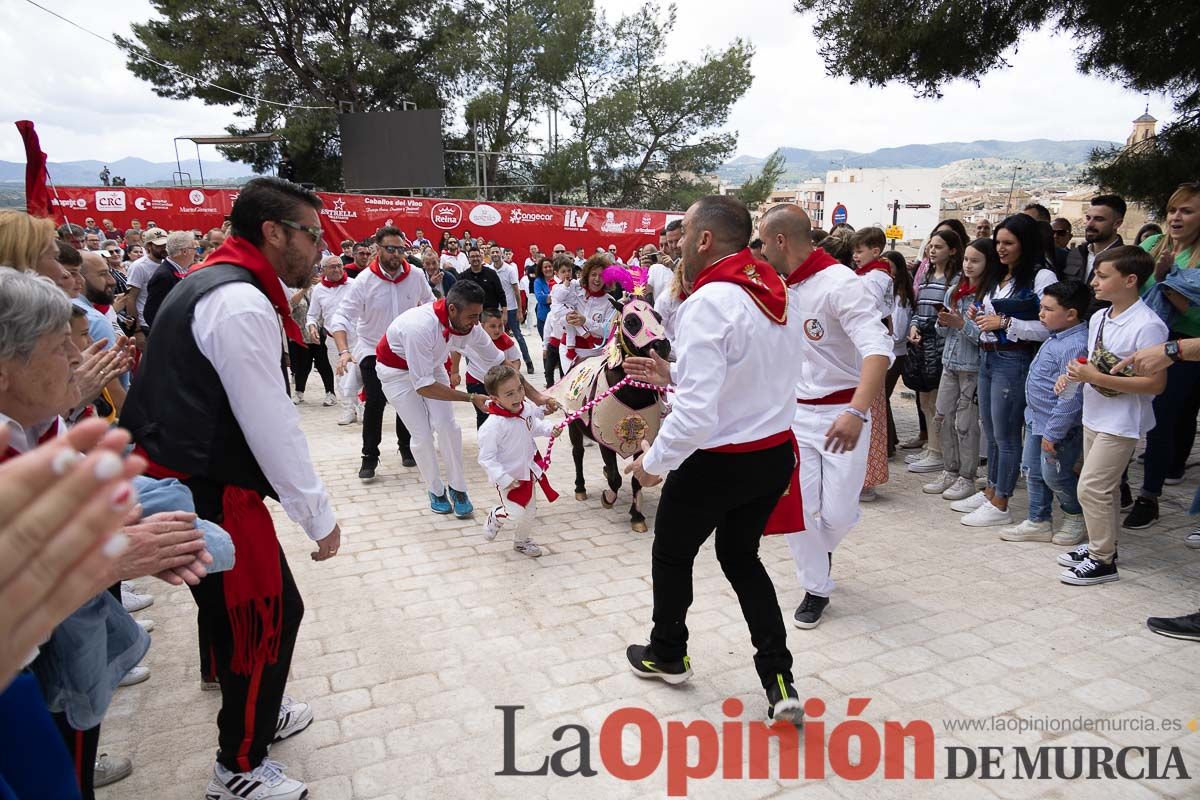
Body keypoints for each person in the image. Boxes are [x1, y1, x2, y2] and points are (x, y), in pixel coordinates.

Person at [121, 177, 342, 800]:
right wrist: (317, 517)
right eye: (311, 234)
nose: (319, 248)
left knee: (229, 609)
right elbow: (270, 422)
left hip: (185, 476)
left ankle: (251, 709)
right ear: (273, 232)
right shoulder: (240, 300)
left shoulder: (217, 281)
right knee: (264, 619)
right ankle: (239, 765)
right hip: (203, 486)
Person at [622, 195, 806, 725]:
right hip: (771, 456)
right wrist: (674, 374)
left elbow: (699, 415)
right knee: (741, 559)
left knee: (673, 555)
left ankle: (668, 654)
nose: (675, 246)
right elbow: (749, 376)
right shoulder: (778, 294)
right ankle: (778, 679)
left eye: (681, 237)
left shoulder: (710, 302)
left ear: (704, 240)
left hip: (716, 462)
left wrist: (654, 462)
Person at [759, 204, 892, 629]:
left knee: (835, 514)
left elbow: (878, 350)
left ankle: (821, 550)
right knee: (798, 510)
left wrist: (856, 410)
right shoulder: (780, 287)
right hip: (796, 418)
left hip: (842, 415)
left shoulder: (842, 286)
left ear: (781, 240)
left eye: (763, 242)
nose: (760, 250)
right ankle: (816, 587)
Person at [373, 281, 550, 517]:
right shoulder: (419, 327)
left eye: (478, 315)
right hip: (395, 373)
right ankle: (435, 489)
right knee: (422, 434)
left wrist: (536, 396)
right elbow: (424, 386)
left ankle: (458, 488)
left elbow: (501, 363)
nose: (476, 322)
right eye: (472, 316)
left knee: (448, 427)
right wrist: (470, 397)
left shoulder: (471, 328)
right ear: (452, 309)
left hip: (432, 366)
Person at [1058, 247, 1168, 586]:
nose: (1094, 281)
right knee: (1099, 489)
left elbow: (1155, 383)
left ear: (1130, 280)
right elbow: (1091, 363)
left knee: (1093, 487)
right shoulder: (1099, 317)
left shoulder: (1149, 325)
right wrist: (1074, 373)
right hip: (1095, 413)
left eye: (1103, 276)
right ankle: (1100, 546)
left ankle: (1103, 560)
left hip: (1122, 421)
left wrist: (1095, 378)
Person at [954, 214, 1058, 527]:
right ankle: (991, 490)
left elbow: (1049, 325)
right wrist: (979, 315)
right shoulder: (998, 278)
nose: (1001, 249)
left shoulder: (1041, 278)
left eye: (1008, 243)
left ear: (1025, 244)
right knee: (993, 430)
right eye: (998, 242)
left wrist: (1008, 323)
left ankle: (1001, 501)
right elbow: (990, 315)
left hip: (1013, 359)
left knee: (1007, 433)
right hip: (988, 356)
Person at [1123, 183, 1200, 530]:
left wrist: (1168, 282)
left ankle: (1149, 497)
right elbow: (1128, 286)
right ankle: (1119, 485)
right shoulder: (1153, 244)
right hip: (1138, 338)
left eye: (1187, 210)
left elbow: (1194, 314)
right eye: (1173, 210)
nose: (1176, 217)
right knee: (1124, 414)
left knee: (1159, 423)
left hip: (1180, 348)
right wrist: (1156, 277)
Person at [330, 226, 430, 482]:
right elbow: (342, 316)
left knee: (407, 399)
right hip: (372, 349)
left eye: (400, 249)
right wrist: (343, 351)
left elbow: (429, 306)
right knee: (375, 400)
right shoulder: (364, 280)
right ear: (378, 248)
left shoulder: (416, 275)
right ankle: (369, 457)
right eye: (390, 249)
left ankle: (406, 447)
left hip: (405, 351)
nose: (396, 254)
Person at [999, 280, 1091, 545]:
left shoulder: (1075, 344)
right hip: (1037, 421)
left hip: (1058, 427)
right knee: (1033, 471)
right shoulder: (1057, 337)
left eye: (1048, 309)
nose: (1041, 314)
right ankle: (1038, 520)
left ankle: (1074, 516)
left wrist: (1055, 433)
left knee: (1056, 475)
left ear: (1071, 314)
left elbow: (1071, 398)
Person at [926, 238, 991, 501]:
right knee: (941, 417)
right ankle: (949, 470)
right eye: (966, 260)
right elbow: (942, 329)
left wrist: (961, 322)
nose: (968, 265)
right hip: (949, 363)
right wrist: (944, 321)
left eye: (975, 261)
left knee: (965, 424)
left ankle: (967, 476)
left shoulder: (987, 297)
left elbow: (985, 336)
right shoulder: (954, 290)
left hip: (972, 367)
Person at [477, 364, 562, 557]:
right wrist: (504, 478)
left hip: (528, 472)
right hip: (508, 477)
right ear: (495, 398)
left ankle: (521, 541)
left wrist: (550, 429)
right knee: (515, 513)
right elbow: (486, 458)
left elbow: (535, 426)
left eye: (520, 389)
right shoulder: (493, 426)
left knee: (530, 511)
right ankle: (495, 515)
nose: (517, 396)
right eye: (509, 394)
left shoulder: (525, 410)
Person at [905, 228, 963, 475]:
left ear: (952, 251)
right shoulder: (926, 276)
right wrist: (915, 324)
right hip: (923, 343)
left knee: (938, 400)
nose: (932, 250)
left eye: (938, 247)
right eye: (931, 246)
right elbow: (920, 307)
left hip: (940, 344)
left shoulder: (955, 280)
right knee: (925, 399)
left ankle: (939, 452)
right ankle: (932, 447)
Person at [307, 256, 357, 425]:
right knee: (341, 375)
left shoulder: (354, 284)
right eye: (332, 267)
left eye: (339, 266)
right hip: (332, 339)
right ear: (323, 269)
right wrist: (312, 326)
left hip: (356, 337)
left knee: (360, 374)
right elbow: (312, 314)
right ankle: (348, 409)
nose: (337, 270)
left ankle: (363, 407)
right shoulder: (318, 290)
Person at [457, 309, 522, 428]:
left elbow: (516, 359)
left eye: (500, 326)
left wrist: (513, 374)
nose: (497, 330)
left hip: (501, 385)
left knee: (505, 413)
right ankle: (485, 442)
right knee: (484, 414)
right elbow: (457, 351)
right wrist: (454, 372)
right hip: (476, 381)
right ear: (482, 326)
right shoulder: (473, 339)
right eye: (492, 326)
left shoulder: (506, 341)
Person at [881, 251, 914, 458]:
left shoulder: (900, 297)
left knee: (881, 397)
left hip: (894, 354)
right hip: (888, 352)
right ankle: (889, 441)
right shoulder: (888, 293)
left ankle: (887, 445)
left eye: (888, 267)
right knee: (883, 398)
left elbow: (898, 332)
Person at [287, 272, 336, 408]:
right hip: (301, 335)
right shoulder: (292, 288)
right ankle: (299, 392)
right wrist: (305, 288)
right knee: (302, 366)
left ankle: (330, 393)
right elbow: (291, 304)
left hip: (319, 334)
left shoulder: (321, 288)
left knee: (323, 364)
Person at [560, 256, 616, 371]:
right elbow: (556, 316)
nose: (597, 279)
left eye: (601, 276)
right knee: (571, 386)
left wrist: (586, 321)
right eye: (593, 274)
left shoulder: (610, 302)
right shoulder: (574, 291)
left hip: (595, 353)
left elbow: (607, 331)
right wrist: (566, 318)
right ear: (587, 276)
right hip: (568, 350)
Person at [1063, 195, 1125, 289]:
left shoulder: (1126, 260)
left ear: (1117, 223)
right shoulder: (1076, 254)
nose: (1089, 224)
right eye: (1088, 218)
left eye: (1099, 219)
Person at [492, 247, 535, 373]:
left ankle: (528, 362)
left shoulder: (510, 270)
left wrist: (520, 310)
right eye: (492, 252)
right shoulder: (490, 269)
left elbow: (516, 291)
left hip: (511, 308)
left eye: (497, 252)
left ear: (501, 254)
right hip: (497, 309)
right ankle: (502, 364)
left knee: (518, 336)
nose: (495, 254)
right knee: (498, 337)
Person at [143, 230, 197, 329]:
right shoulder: (164, 276)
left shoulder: (180, 269)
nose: (196, 253)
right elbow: (151, 314)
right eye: (194, 249)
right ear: (185, 251)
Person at [123, 227, 170, 335]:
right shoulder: (139, 266)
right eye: (159, 245)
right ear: (149, 246)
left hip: (163, 321)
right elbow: (130, 298)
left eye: (165, 245)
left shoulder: (168, 263)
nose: (164, 248)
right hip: (146, 325)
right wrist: (137, 330)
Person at [456, 245, 505, 311]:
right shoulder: (463, 277)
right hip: (471, 314)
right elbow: (459, 296)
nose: (475, 259)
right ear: (468, 259)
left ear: (481, 257)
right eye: (472, 257)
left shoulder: (491, 273)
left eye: (477, 256)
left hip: (490, 313)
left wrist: (504, 312)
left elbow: (500, 293)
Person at [532, 257, 555, 340]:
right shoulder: (538, 281)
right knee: (546, 345)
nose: (548, 269)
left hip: (557, 320)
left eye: (550, 266)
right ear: (541, 269)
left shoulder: (559, 279)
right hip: (543, 319)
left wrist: (547, 296)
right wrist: (556, 296)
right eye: (545, 267)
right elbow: (540, 298)